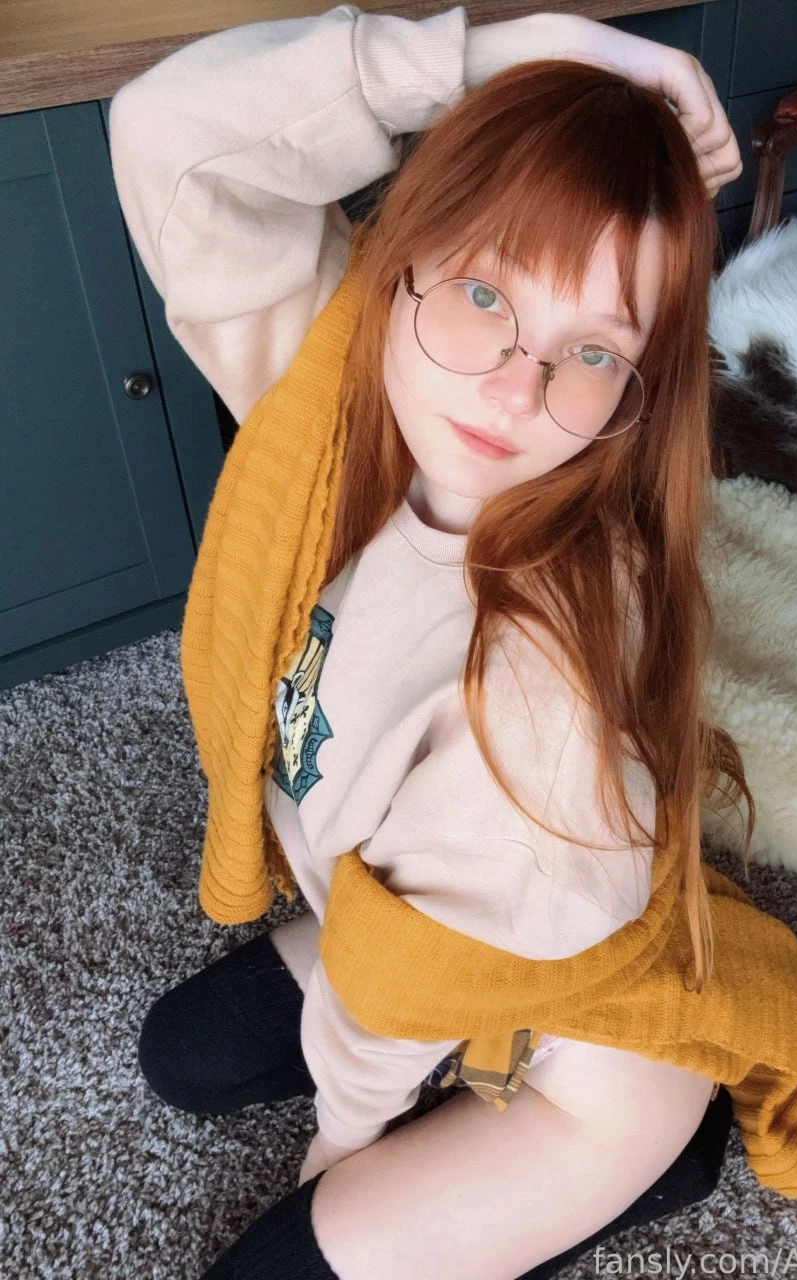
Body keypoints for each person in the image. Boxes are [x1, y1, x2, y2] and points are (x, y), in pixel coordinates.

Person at [109, 5, 754, 1278]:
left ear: (635, 392)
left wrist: (348, 1140)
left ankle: (670, 1145)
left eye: (590, 351)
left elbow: (404, 990)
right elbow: (170, 137)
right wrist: (515, 53)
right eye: (484, 292)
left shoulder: (542, 686)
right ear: (402, 256)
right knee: (183, 1058)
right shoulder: (333, 400)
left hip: (577, 1052)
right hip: (414, 905)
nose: (513, 389)